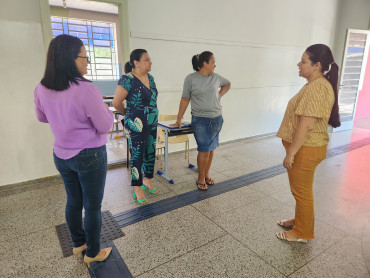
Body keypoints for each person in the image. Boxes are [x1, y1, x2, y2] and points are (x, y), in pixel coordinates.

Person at [34, 34, 113, 267]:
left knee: (73, 202)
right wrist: (106, 110)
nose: (87, 62)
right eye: (84, 57)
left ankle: (79, 244)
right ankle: (93, 252)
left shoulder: (41, 87)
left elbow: (41, 117)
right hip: (89, 155)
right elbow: (105, 125)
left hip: (61, 155)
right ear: (70, 58)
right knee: (92, 206)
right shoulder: (87, 89)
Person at [276, 44, 340, 242]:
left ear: (317, 65)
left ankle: (301, 233)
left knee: (302, 192)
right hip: (306, 148)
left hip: (306, 148)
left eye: (303, 61)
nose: (299, 64)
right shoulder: (314, 84)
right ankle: (300, 219)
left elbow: (306, 126)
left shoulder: (318, 87)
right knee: (301, 190)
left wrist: (291, 153)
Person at [172, 51, 231, 191]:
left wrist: (218, 96)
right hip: (200, 120)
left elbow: (227, 84)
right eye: (213, 62)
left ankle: (206, 174)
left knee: (211, 149)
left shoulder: (216, 77)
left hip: (216, 118)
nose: (215, 65)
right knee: (204, 150)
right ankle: (200, 178)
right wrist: (178, 119)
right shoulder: (191, 79)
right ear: (204, 63)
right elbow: (185, 99)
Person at [113, 49, 159, 204]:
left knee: (150, 152)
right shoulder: (127, 79)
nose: (150, 61)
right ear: (136, 62)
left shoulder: (150, 78)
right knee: (137, 155)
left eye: (150, 58)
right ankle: (137, 186)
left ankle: (147, 179)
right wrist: (128, 114)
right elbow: (116, 103)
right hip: (136, 125)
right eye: (146, 59)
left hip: (152, 122)